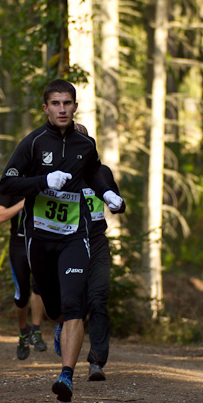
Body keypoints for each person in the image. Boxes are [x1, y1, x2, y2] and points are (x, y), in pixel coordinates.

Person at [0, 79, 124, 402]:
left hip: (74, 237)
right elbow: (7, 183)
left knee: (73, 306)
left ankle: (66, 376)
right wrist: (43, 181)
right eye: (55, 104)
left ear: (75, 106)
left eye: (67, 103)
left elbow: (95, 171)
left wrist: (107, 192)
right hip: (40, 239)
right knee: (53, 305)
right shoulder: (34, 143)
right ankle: (59, 327)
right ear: (46, 108)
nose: (62, 109)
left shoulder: (85, 144)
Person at [75, 123, 125, 382]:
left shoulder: (102, 172)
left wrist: (117, 204)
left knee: (98, 300)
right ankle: (63, 324)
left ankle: (96, 361)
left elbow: (116, 203)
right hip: (68, 244)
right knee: (71, 304)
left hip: (96, 243)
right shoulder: (60, 172)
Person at [0, 194, 48, 360]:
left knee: (40, 287)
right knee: (22, 294)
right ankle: (23, 332)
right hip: (19, 245)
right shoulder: (11, 185)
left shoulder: (45, 181)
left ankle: (36, 331)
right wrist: (23, 203)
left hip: (42, 242)